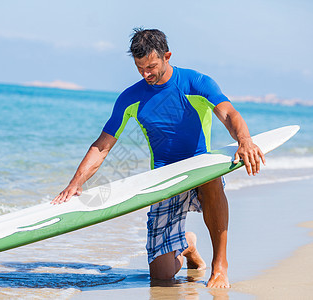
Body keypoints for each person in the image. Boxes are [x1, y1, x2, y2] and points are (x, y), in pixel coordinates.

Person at [51, 28, 265, 288]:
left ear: (167, 56)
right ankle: (186, 245)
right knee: (162, 277)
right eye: (140, 68)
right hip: (165, 178)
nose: (146, 74)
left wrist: (245, 140)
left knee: (212, 177)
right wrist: (76, 182)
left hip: (200, 170)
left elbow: (229, 113)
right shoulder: (131, 97)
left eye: (151, 67)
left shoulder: (195, 82)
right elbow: (102, 146)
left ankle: (220, 265)